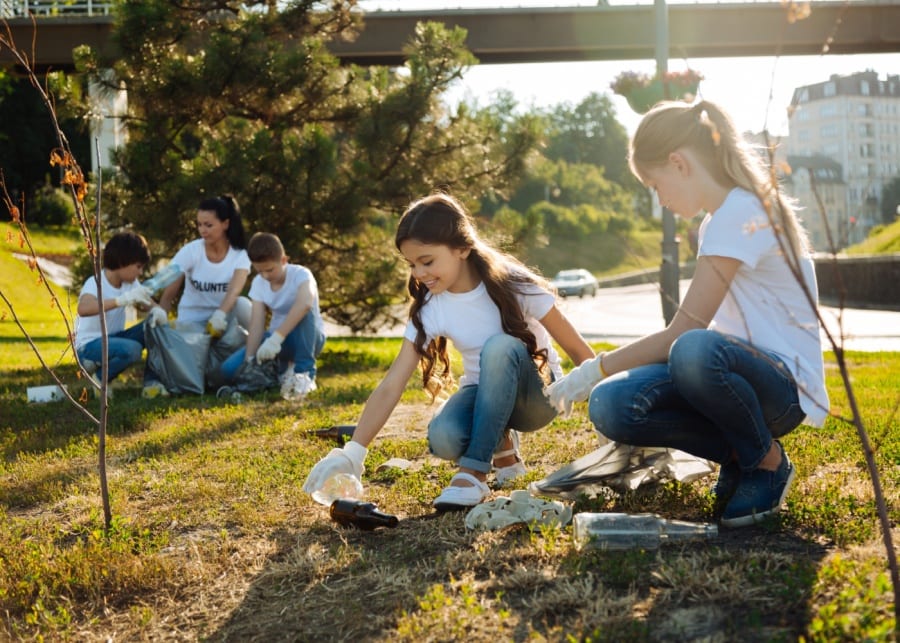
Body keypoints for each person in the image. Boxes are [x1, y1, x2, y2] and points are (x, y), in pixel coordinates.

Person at [545, 100, 830, 528]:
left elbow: (685, 332)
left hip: (782, 389)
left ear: (678, 163)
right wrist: (603, 381)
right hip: (738, 375)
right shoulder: (719, 219)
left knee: (692, 350)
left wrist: (592, 369)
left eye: (655, 185)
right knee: (613, 404)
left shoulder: (742, 211)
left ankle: (767, 462)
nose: (660, 200)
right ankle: (740, 453)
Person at [303, 192, 594, 510]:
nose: (418, 273)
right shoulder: (431, 306)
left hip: (536, 398)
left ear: (463, 248)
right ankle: (501, 445)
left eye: (427, 261)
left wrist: (609, 421)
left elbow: (580, 351)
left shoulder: (513, 283)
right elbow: (393, 383)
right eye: (412, 264)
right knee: (443, 436)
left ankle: (473, 473)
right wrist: (353, 453)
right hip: (482, 393)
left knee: (499, 347)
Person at [144, 195, 252, 397]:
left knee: (245, 305)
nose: (203, 230)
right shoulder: (192, 251)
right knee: (170, 343)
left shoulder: (239, 255)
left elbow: (235, 290)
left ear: (226, 224)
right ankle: (153, 381)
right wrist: (162, 313)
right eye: (199, 224)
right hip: (192, 321)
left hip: (223, 320)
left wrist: (220, 315)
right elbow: (171, 284)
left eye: (209, 225)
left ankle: (261, 363)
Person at [220, 232, 326, 398]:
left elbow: (305, 303)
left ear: (283, 260)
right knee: (228, 370)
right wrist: (250, 361)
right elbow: (256, 324)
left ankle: (304, 375)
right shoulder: (259, 283)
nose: (265, 276)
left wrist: (277, 337)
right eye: (260, 271)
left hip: (307, 338)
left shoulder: (301, 275)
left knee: (305, 310)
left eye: (270, 270)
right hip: (276, 343)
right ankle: (278, 374)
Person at [74, 231, 154, 391]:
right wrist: (120, 301)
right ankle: (100, 380)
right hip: (88, 346)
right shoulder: (96, 282)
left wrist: (156, 311)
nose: (140, 272)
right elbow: (83, 308)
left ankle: (153, 382)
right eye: (138, 267)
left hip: (114, 339)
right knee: (132, 349)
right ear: (123, 261)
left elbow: (149, 304)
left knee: (153, 326)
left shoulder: (130, 283)